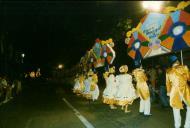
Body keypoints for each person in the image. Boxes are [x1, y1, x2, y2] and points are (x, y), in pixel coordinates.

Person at [166, 55, 190, 128]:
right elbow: (189, 78)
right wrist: (185, 70)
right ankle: (187, 125)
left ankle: (177, 125)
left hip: (174, 91)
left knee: (176, 109)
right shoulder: (184, 67)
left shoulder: (168, 71)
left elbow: (168, 83)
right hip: (185, 90)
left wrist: (169, 92)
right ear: (178, 61)